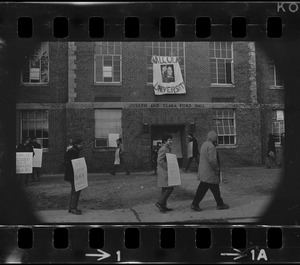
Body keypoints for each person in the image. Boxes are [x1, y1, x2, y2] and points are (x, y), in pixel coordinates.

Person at [190, 130, 229, 211]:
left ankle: (196, 203)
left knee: (205, 188)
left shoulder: (205, 144)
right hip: (210, 172)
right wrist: (217, 169)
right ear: (214, 138)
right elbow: (212, 161)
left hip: (204, 171)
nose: (216, 139)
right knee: (214, 188)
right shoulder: (211, 146)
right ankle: (219, 204)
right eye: (216, 137)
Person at [156, 134, 175, 213]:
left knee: (164, 188)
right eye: (169, 140)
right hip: (164, 171)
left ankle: (163, 206)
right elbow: (160, 160)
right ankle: (160, 203)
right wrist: (168, 167)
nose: (171, 141)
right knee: (170, 188)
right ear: (165, 141)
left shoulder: (167, 148)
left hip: (164, 171)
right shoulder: (164, 149)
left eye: (171, 140)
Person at [64, 139, 83, 215]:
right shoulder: (73, 152)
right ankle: (73, 208)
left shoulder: (72, 151)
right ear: (76, 145)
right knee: (76, 191)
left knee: (74, 191)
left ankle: (71, 207)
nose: (81, 145)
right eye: (80, 144)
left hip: (71, 174)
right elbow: (71, 164)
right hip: (73, 174)